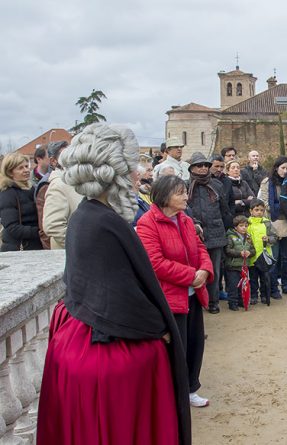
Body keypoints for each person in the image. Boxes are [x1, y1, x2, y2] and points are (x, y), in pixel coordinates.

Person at [38, 123, 190, 445]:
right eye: (131, 167)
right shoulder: (101, 220)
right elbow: (115, 294)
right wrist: (158, 328)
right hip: (106, 353)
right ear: (115, 173)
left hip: (83, 338)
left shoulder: (88, 214)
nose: (138, 175)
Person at [137, 174, 214, 407]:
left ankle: (191, 388)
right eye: (180, 192)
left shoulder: (186, 220)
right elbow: (155, 263)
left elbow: (200, 248)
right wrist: (191, 276)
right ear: (164, 196)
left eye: (185, 191)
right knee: (176, 349)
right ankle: (174, 393)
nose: (186, 197)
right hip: (171, 298)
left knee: (195, 343)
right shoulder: (147, 223)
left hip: (193, 294)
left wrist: (205, 271)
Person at [186, 152, 231, 314]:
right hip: (194, 234)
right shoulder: (185, 186)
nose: (203, 168)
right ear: (192, 168)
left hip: (216, 232)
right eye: (199, 165)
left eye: (206, 165)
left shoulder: (217, 185)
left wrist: (226, 230)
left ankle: (213, 302)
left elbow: (225, 210)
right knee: (194, 270)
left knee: (214, 270)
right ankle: (197, 302)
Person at [258, 156, 287, 298]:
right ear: (276, 167)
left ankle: (286, 285)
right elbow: (265, 203)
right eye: (282, 168)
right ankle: (273, 288)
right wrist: (284, 206)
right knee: (274, 257)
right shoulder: (267, 182)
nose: (285, 171)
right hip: (272, 223)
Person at [0, 152, 43, 251]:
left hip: (34, 245)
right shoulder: (8, 193)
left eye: (26, 166)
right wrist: (39, 232)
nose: (26, 170)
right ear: (10, 172)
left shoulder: (31, 188)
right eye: (20, 168)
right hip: (18, 248)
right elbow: (12, 228)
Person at [36, 141, 72, 249]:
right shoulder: (52, 184)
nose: (71, 158)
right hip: (66, 253)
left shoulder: (73, 181)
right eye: (65, 155)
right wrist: (78, 245)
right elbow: (51, 226)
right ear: (53, 161)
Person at [247, 199, 276, 306]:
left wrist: (268, 239)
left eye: (261, 210)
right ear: (251, 211)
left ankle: (264, 295)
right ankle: (253, 296)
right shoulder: (247, 224)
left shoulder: (267, 223)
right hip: (252, 257)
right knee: (253, 279)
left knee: (264, 278)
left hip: (264, 257)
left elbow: (274, 237)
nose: (259, 212)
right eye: (256, 210)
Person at [224, 215, 254, 310]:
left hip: (244, 266)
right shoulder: (230, 236)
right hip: (233, 266)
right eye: (241, 226)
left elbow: (253, 250)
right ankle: (232, 303)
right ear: (235, 227)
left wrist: (250, 253)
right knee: (233, 285)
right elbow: (227, 250)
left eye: (246, 225)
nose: (244, 228)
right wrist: (239, 253)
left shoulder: (249, 237)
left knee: (243, 285)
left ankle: (241, 301)